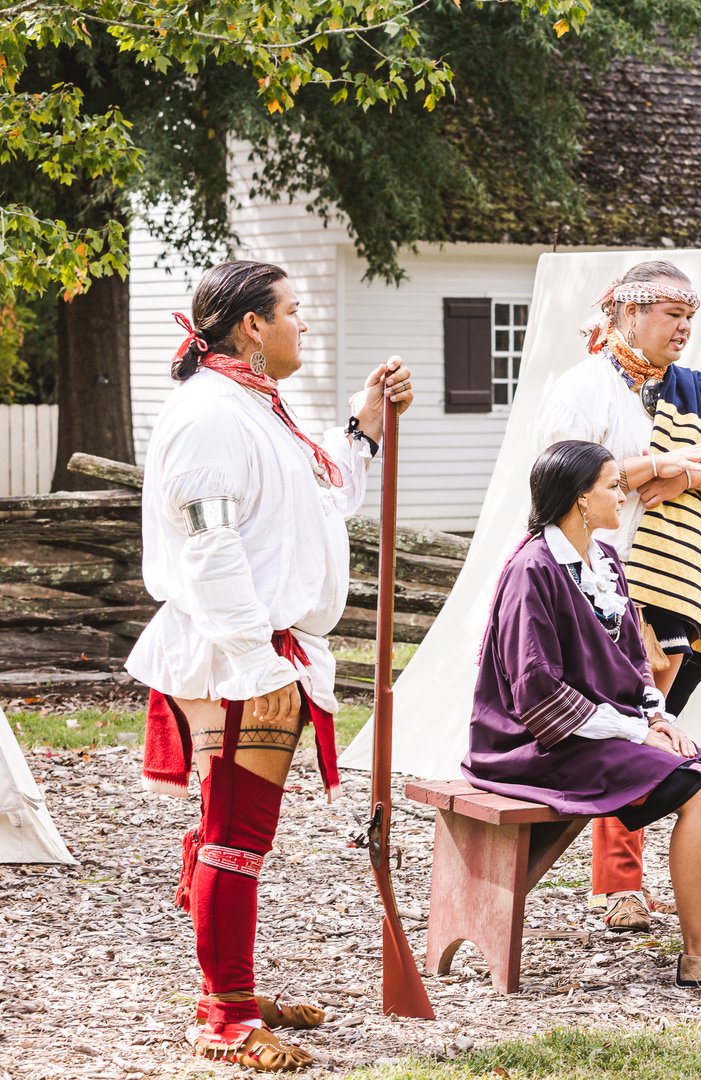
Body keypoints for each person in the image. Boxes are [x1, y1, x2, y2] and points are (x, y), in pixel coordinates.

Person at [129, 260, 413, 1069]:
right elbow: (209, 548)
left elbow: (318, 501)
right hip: (231, 654)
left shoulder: (253, 407)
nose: (304, 324)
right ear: (252, 325)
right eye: (293, 311)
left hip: (257, 649)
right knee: (237, 834)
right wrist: (258, 663)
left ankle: (233, 988)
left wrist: (363, 424)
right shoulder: (213, 415)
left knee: (235, 831)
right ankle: (222, 1016)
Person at [464, 440, 701, 998]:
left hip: (600, 729)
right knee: (700, 790)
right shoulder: (532, 570)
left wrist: (658, 718)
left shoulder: (608, 563)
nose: (625, 493)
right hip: (536, 742)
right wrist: (637, 731)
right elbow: (536, 694)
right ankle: (699, 958)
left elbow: (634, 667)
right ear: (578, 499)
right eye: (613, 485)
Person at [532, 260, 701, 931]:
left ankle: (625, 885)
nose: (684, 329)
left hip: (658, 580)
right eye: (671, 314)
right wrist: (654, 467)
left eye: (691, 318)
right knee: (629, 724)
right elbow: (554, 477)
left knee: (646, 725)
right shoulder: (588, 387)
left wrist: (685, 473)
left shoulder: (671, 390)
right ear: (628, 312)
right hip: (595, 583)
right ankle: (617, 883)